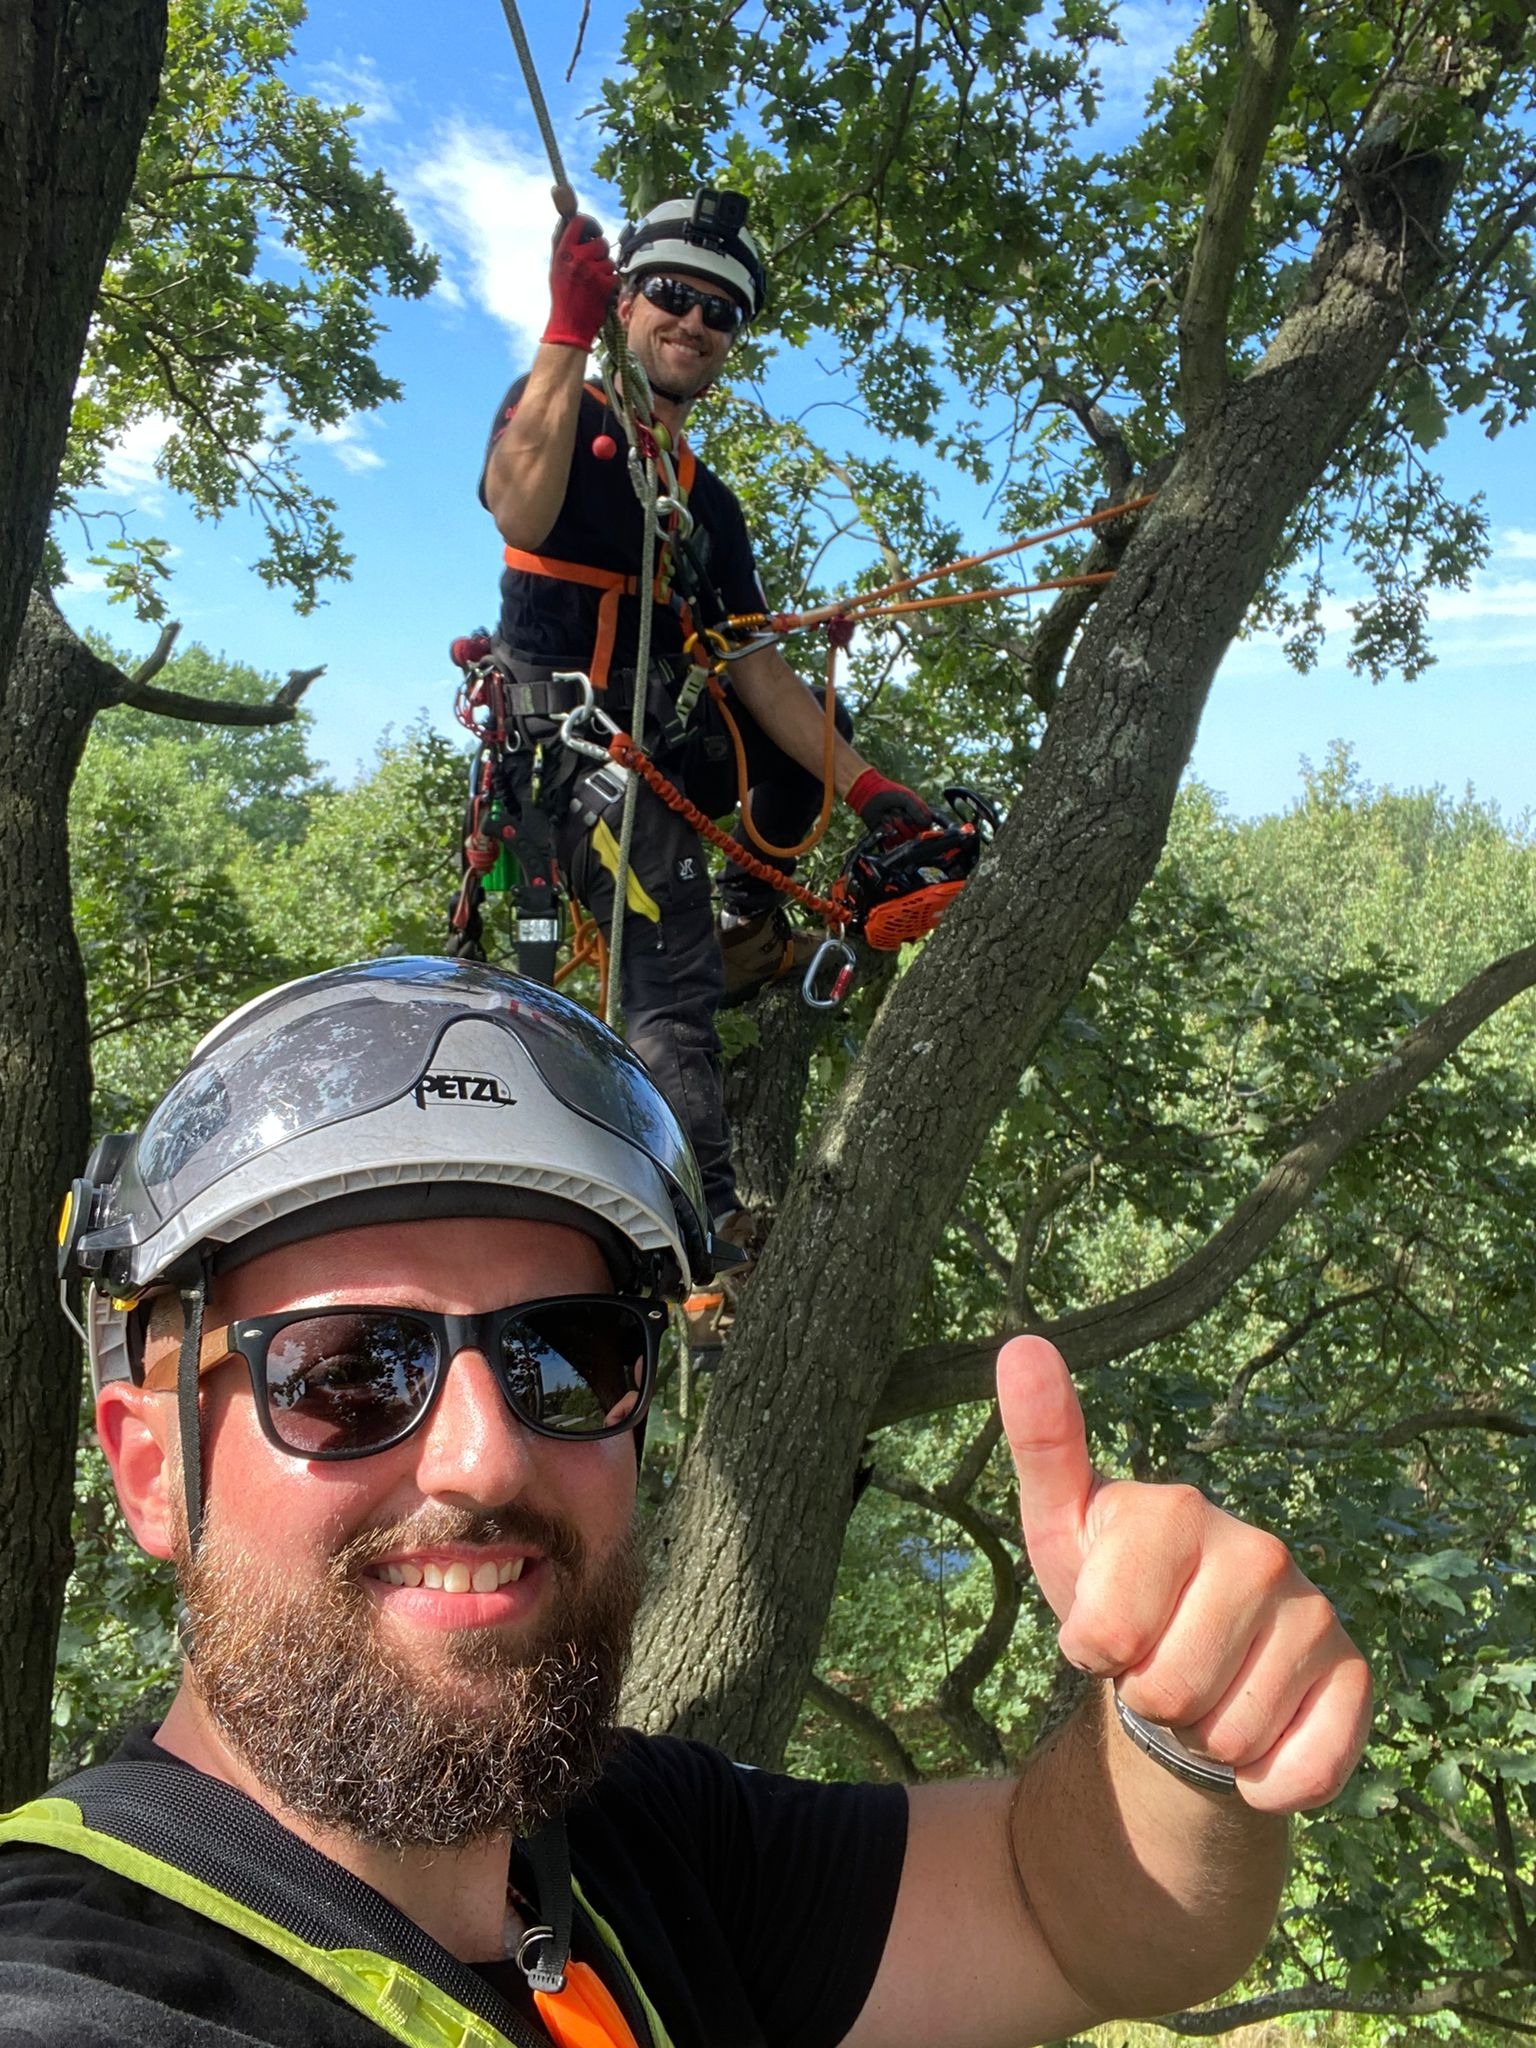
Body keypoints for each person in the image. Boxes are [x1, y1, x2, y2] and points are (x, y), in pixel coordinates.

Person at [3, 957, 1374, 2048]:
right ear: (151, 1471)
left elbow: (1066, 1914)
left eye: (569, 1355)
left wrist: (1176, 1734)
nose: (483, 1461)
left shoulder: (637, 1851)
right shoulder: (78, 1974)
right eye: (351, 1373)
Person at [478, 191, 935, 1237]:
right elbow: (517, 504)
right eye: (671, 296)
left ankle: (752, 923)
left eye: (718, 312)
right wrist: (559, 334)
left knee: (813, 707)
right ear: (624, 305)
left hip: (656, 745)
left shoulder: (704, 506)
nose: (693, 322)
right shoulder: (564, 416)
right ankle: (702, 1228)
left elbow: (762, 679)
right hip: (566, 749)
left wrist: (879, 797)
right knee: (667, 987)